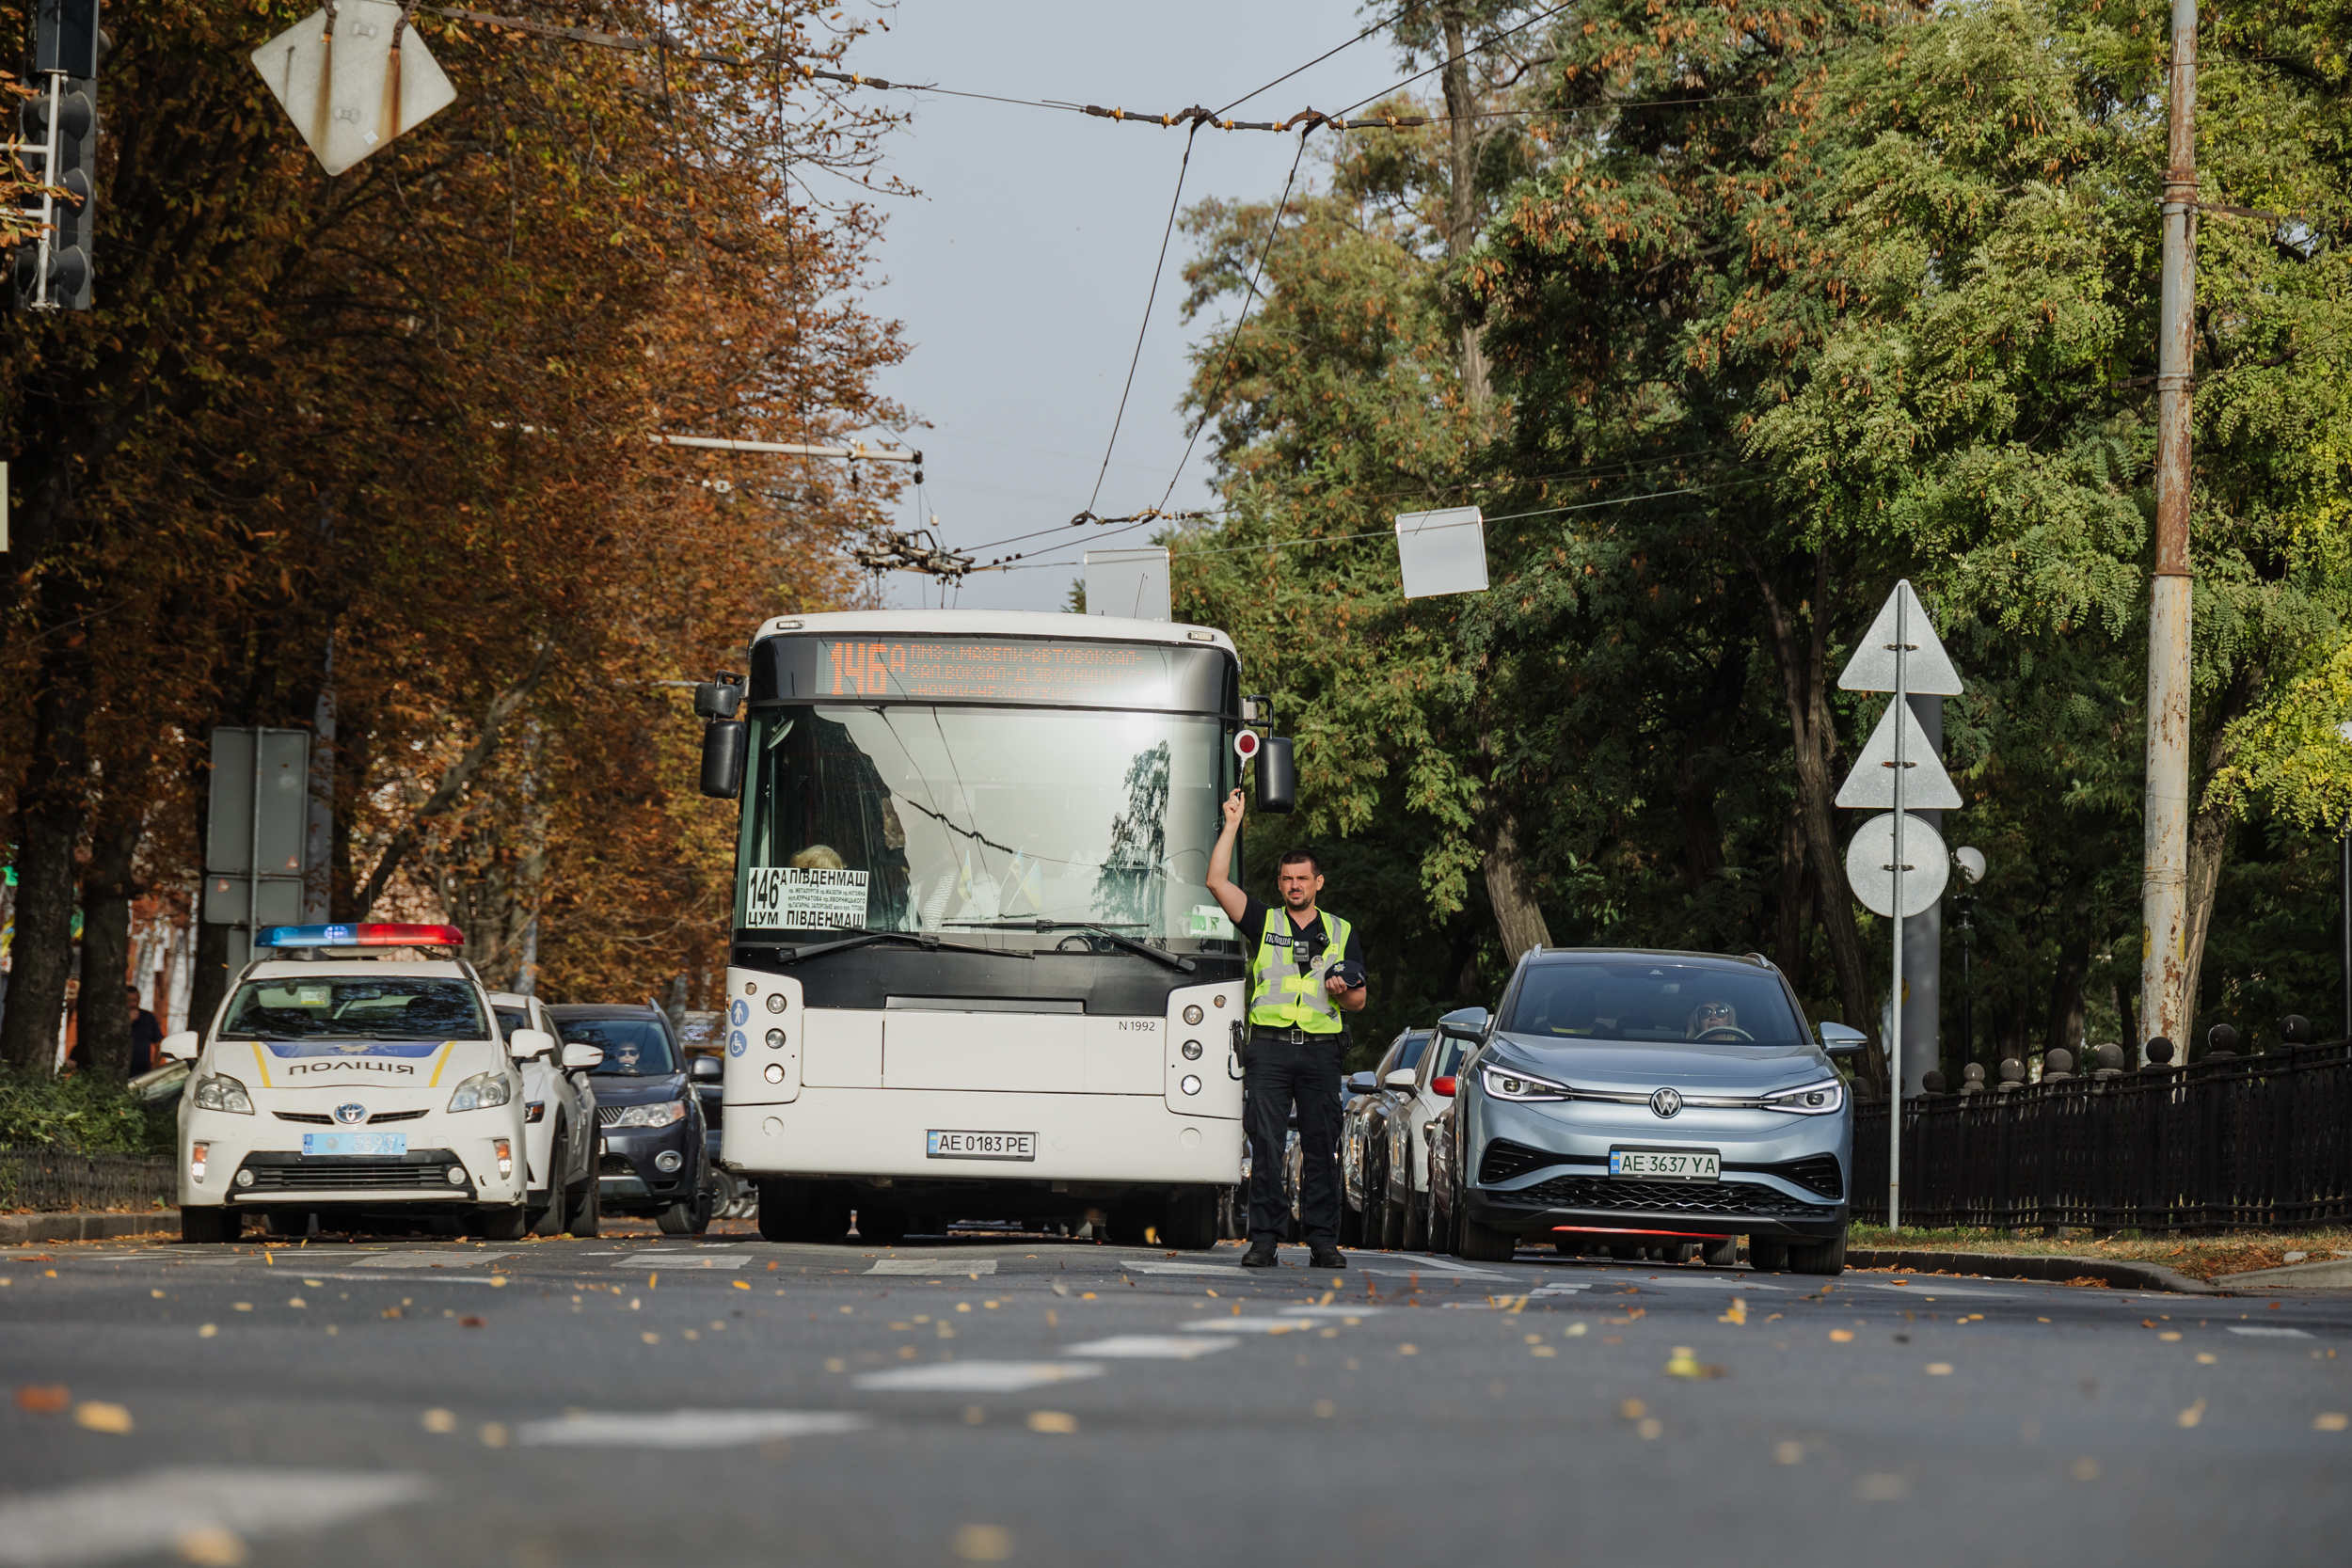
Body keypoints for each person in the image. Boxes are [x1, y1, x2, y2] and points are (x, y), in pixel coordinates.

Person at [1205, 787, 1367, 1271]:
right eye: (1287, 878)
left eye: (1303, 878)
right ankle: (1264, 1241)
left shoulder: (1341, 931)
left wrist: (1341, 990)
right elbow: (1216, 881)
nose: (1295, 885)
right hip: (1270, 1052)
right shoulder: (1264, 920)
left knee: (1320, 1149)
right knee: (1268, 1149)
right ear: (1279, 884)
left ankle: (1323, 1242)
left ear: (1318, 882)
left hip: (1320, 1052)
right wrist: (1232, 823)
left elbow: (1358, 1000)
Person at [128, 986, 163, 1076]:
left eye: (135, 1000)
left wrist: (155, 1066)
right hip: (122, 1070)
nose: (132, 1004)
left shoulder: (148, 1017)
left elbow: (158, 1044)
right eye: (129, 1001)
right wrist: (128, 1021)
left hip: (143, 1071)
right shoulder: (117, 1019)